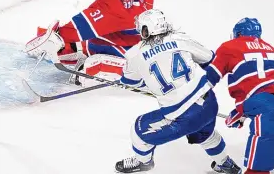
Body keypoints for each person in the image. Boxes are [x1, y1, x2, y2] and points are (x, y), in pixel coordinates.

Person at [115, 9, 241, 173]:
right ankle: (225, 163)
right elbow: (210, 58)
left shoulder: (134, 55)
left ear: (145, 30)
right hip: (209, 102)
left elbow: (130, 81)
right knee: (205, 133)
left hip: (182, 115)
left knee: (138, 130)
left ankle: (143, 162)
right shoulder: (180, 38)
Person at [24, 0, 154, 84]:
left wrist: (60, 36)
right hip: (117, 37)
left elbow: (84, 26)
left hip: (129, 46)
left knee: (129, 68)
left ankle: (88, 67)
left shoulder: (122, 12)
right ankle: (80, 52)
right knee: (85, 45)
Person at [204, 18, 274, 174]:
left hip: (265, 105)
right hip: (263, 101)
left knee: (258, 167)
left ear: (239, 33)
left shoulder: (229, 47)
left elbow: (208, 79)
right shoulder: (270, 48)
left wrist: (190, 94)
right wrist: (240, 112)